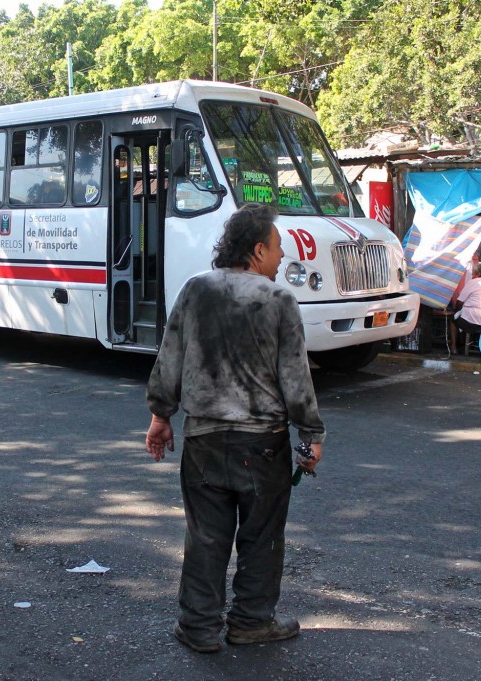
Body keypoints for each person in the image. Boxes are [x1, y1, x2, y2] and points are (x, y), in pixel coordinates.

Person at [144, 204, 326, 654]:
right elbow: (296, 377)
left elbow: (169, 357)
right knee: (261, 538)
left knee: (205, 536)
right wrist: (311, 436)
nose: (282, 256)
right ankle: (250, 622)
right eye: (279, 247)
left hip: (204, 440)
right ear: (258, 249)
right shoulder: (278, 299)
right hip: (262, 444)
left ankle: (199, 628)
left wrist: (160, 416)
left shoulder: (194, 290)